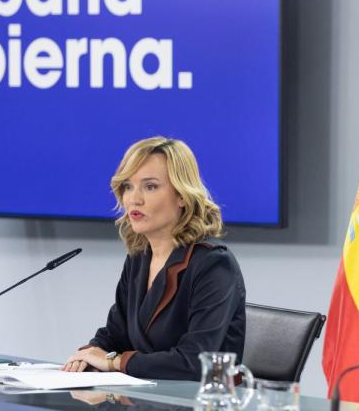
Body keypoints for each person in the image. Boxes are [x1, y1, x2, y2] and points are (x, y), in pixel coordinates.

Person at [61, 137, 246, 380]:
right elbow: (116, 334)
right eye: (128, 186)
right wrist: (87, 355)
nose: (134, 199)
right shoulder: (139, 257)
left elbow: (194, 361)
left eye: (150, 186)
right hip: (146, 398)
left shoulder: (213, 263)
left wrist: (114, 361)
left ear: (182, 195)